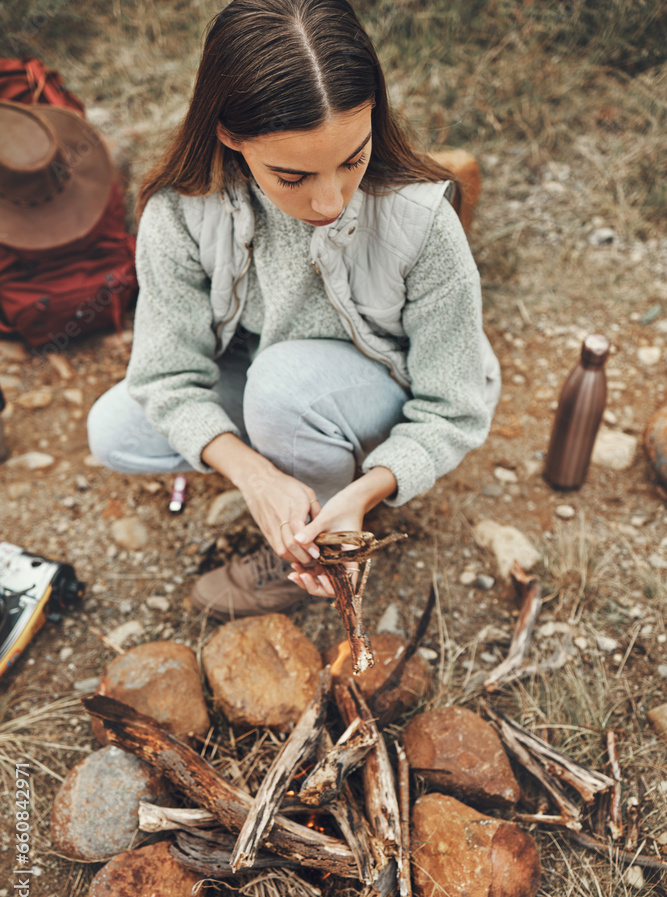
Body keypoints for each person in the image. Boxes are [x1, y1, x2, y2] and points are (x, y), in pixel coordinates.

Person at [87, 0, 501, 620]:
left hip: (374, 389)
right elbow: (163, 376)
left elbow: (456, 406)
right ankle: (291, 467)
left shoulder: (421, 221)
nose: (331, 199)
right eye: (292, 176)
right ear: (229, 134)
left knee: (283, 387)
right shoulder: (180, 209)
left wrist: (372, 487)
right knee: (115, 430)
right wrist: (254, 475)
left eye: (353, 159)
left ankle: (326, 541)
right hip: (269, 379)